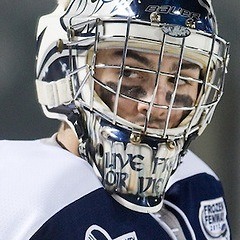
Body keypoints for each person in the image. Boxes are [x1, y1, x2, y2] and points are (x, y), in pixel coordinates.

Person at [0, 0, 231, 239]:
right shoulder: (22, 198)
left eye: (180, 79)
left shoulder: (197, 185)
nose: (157, 106)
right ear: (67, 69)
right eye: (128, 73)